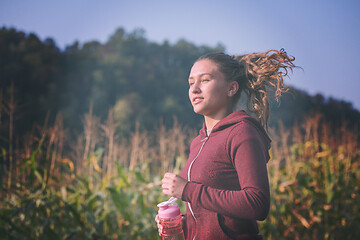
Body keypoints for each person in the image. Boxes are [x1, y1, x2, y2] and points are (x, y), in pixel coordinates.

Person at [156, 49, 296, 240]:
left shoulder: (242, 132)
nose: (195, 88)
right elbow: (210, 214)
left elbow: (257, 203)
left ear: (231, 88)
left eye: (205, 80)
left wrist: (187, 189)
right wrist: (181, 223)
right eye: (190, 83)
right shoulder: (198, 142)